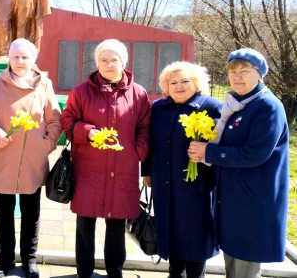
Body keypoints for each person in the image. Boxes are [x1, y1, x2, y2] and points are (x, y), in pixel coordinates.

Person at [187, 48, 289, 278]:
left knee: (245, 264)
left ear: (260, 74)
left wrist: (210, 153)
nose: (237, 76)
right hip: (236, 199)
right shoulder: (238, 103)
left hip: (254, 201)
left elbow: (255, 153)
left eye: (245, 70)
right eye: (233, 71)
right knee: (233, 262)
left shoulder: (266, 106)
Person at [60, 39, 151, 278]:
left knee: (116, 225)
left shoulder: (138, 93)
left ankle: (115, 271)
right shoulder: (81, 92)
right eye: (103, 59)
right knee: (85, 225)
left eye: (114, 59)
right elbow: (67, 121)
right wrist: (88, 132)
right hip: (89, 169)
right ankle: (84, 271)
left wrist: (137, 151)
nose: (109, 64)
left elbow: (145, 127)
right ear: (97, 62)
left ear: (123, 62)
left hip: (123, 170)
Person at [0, 38, 62, 278]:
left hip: (33, 161)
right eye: (16, 56)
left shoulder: (44, 85)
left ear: (32, 60)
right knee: (3, 214)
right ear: (9, 59)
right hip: (3, 157)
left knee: (30, 214)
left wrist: (46, 145)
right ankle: (4, 261)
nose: (20, 61)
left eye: (25, 57)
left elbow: (55, 121)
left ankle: (29, 259)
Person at [142, 61, 221, 278]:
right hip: (165, 182)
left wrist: (206, 153)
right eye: (172, 82)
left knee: (195, 234)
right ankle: (174, 273)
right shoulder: (158, 108)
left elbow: (223, 145)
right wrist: (146, 171)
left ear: (196, 83)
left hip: (198, 186)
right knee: (170, 229)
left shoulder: (212, 107)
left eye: (185, 81)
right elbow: (150, 143)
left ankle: (196, 274)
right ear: (165, 87)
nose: (179, 86)